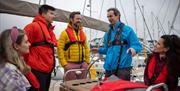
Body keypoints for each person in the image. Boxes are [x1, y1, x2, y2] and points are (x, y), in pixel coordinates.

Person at [91, 8, 142, 81]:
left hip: (122, 69)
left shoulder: (127, 30)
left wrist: (133, 49)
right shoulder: (107, 33)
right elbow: (107, 50)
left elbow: (137, 45)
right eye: (108, 17)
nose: (109, 18)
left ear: (117, 16)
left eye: (111, 16)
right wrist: (98, 50)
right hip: (108, 69)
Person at [24, 4, 57, 91]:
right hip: (36, 70)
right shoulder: (32, 27)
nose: (54, 16)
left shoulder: (50, 30)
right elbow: (21, 48)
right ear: (43, 14)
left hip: (47, 71)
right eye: (51, 13)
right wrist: (26, 67)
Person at [57, 11, 91, 81]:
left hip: (82, 65)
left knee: (81, 85)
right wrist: (64, 64)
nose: (79, 21)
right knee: (70, 86)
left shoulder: (83, 34)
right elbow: (59, 49)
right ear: (71, 20)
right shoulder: (64, 33)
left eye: (80, 19)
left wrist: (87, 62)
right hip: (70, 65)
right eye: (77, 19)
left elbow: (86, 48)